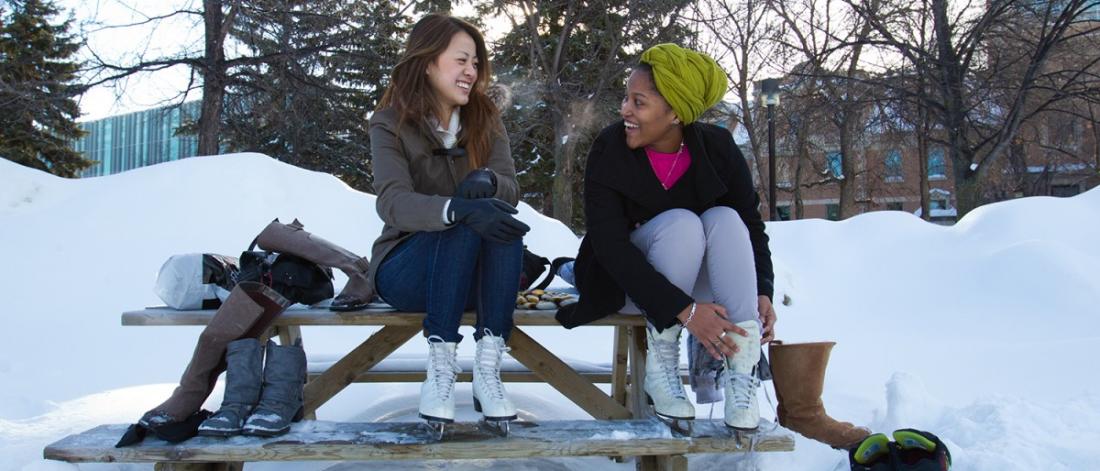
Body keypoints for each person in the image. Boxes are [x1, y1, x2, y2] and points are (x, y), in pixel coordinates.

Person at [554, 43, 776, 431]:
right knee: (682, 223)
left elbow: (750, 226)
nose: (625, 110)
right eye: (626, 98)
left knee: (724, 217)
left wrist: (763, 290)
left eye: (638, 103)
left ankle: (742, 371)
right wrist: (685, 310)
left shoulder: (718, 149)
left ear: (675, 112)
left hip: (697, 290)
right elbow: (609, 246)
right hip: (624, 285)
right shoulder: (610, 148)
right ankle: (662, 368)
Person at [367, 13, 529, 428]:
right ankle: (439, 371)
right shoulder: (389, 123)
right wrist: (454, 208)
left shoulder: (485, 119)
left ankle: (488, 370)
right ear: (427, 62)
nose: (471, 72)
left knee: (498, 219)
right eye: (461, 60)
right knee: (467, 221)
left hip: (474, 277)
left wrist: (488, 181)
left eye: (475, 63)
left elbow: (510, 187)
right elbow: (393, 202)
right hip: (409, 271)